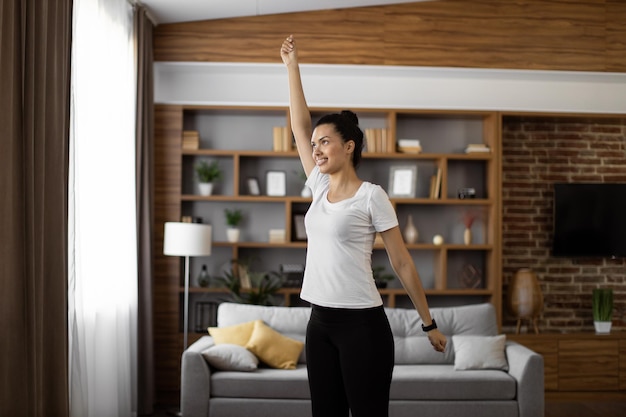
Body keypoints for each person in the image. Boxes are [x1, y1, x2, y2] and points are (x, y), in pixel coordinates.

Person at [280, 35, 447, 417]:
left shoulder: (372, 196)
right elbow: (299, 124)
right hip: (319, 322)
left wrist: (428, 324)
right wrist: (292, 68)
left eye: (325, 142)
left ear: (349, 146)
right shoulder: (319, 186)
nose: (317, 149)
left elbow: (402, 263)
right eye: (315, 144)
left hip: (362, 327)